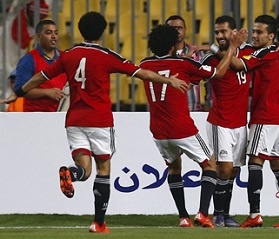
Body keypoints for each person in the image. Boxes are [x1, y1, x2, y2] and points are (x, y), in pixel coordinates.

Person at [1, 12, 188, 233]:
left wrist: (19, 92)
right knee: (103, 169)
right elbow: (141, 73)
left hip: (74, 120)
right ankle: (99, 222)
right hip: (98, 120)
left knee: (85, 169)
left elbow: (41, 76)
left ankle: (71, 173)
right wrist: (169, 80)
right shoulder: (107, 55)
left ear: (80, 30)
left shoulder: (68, 55)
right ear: (102, 32)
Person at [140, 24, 246, 228]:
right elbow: (220, 73)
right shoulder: (183, 64)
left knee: (174, 169)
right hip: (181, 127)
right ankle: (203, 213)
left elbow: (190, 76)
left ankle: (183, 217)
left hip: (158, 130)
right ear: (173, 44)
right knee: (210, 165)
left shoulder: (145, 63)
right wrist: (232, 47)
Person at [228, 15, 279, 228]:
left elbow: (236, 64)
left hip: (265, 115)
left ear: (271, 35)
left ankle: (254, 215)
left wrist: (231, 47)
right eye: (254, 31)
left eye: (259, 32)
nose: (254, 35)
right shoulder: (276, 52)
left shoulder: (265, 53)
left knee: (255, 162)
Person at [200, 15, 253, 228]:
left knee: (234, 171)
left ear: (234, 32)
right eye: (217, 33)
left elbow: (238, 64)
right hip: (220, 121)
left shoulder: (248, 52)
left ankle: (224, 213)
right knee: (224, 168)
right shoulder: (209, 59)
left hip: (240, 122)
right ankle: (218, 215)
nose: (220, 36)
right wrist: (215, 48)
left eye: (224, 32)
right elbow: (223, 67)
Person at [14, 19, 68, 112]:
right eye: (48, 33)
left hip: (62, 116)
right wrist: (47, 92)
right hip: (36, 116)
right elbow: (20, 90)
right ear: (39, 36)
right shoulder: (28, 59)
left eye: (56, 33)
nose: (53, 36)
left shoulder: (65, 57)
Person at [0, 0, 49, 97]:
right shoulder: (14, 15)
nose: (36, 20)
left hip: (14, 64)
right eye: (34, 16)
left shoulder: (33, 29)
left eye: (40, 18)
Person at [165, 15, 212, 111]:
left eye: (179, 28)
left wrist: (208, 103)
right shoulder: (162, 55)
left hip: (194, 111)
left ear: (185, 30)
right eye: (172, 28)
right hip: (170, 112)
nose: (177, 31)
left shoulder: (197, 53)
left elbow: (209, 80)